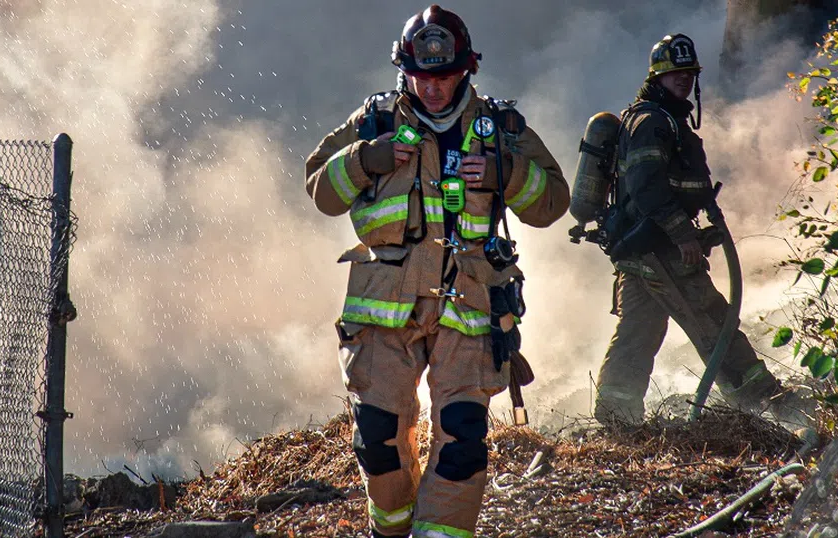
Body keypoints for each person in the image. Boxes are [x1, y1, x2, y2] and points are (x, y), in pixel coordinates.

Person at [305, 5, 569, 537]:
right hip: (384, 310)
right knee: (377, 438)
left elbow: (554, 201)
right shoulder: (375, 122)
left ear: (467, 70)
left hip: (469, 307)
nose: (432, 88)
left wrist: (507, 173)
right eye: (421, 77)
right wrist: (365, 159)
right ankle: (393, 528)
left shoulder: (501, 128)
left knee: (462, 438)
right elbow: (320, 191)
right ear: (404, 71)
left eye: (444, 77)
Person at [593, 34, 786, 428]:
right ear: (657, 77)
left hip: (643, 249)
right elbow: (647, 188)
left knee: (639, 329)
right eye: (673, 73)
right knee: (712, 317)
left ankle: (616, 415)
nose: (683, 80)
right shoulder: (652, 122)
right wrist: (683, 234)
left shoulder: (664, 120)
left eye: (688, 73)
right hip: (660, 248)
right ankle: (764, 400)